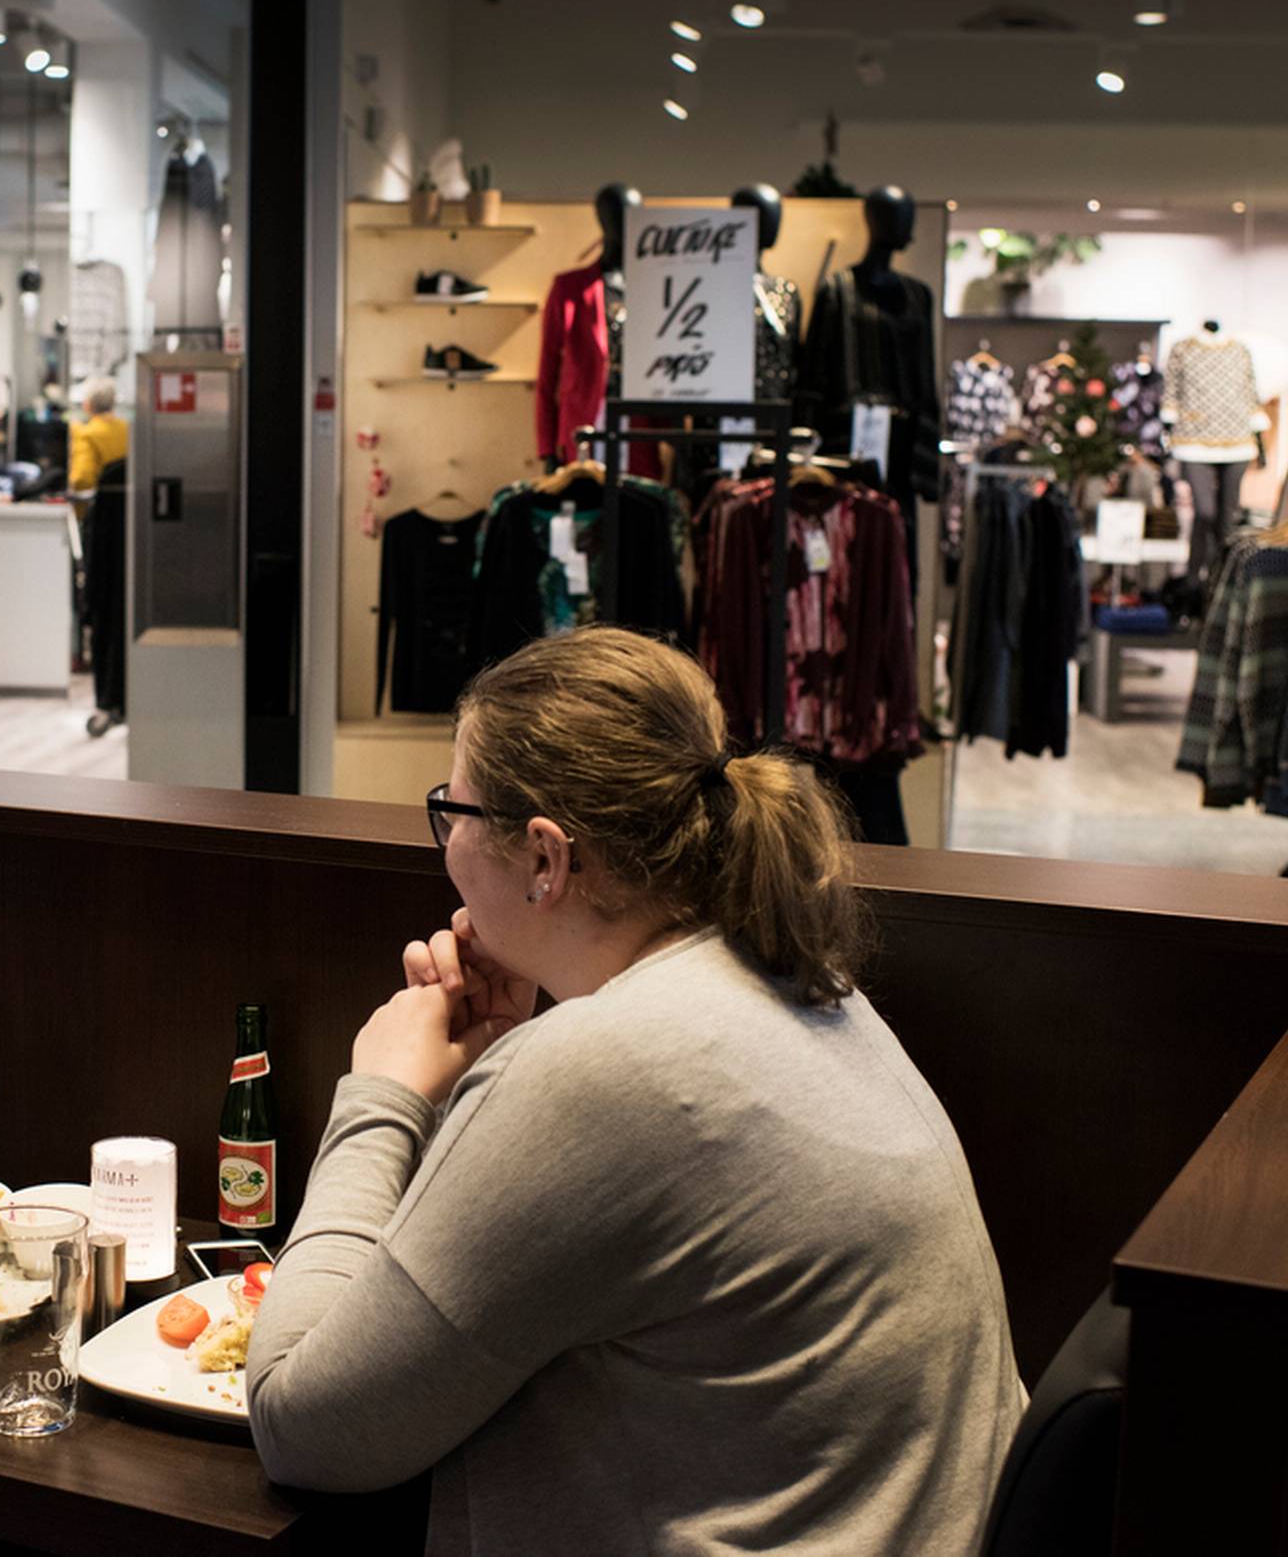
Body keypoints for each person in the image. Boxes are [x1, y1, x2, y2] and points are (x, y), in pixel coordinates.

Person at [247, 626, 1023, 1555]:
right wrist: (498, 1075)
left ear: (545, 857)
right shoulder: (796, 981)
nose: (446, 842)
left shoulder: (605, 1068)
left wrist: (380, 1096)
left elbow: (301, 1423)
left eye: (451, 810)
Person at [65, 375, 128, 493]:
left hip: (98, 506)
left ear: (88, 404)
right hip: (129, 505)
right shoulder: (128, 430)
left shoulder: (85, 434)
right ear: (113, 402)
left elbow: (82, 480)